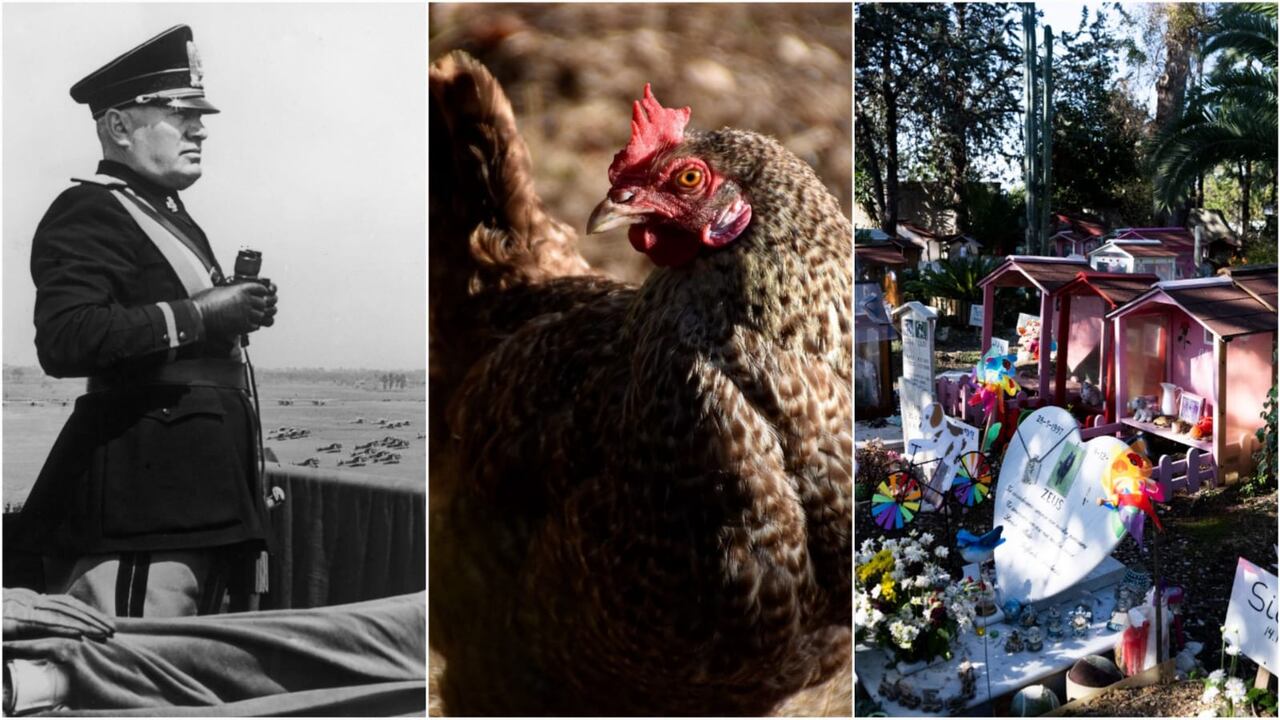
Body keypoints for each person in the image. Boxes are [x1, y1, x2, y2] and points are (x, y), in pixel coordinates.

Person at [13, 25, 279, 619]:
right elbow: (66, 338)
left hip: (193, 503)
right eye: (177, 112)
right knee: (131, 685)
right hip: (143, 511)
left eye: (199, 114)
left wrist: (229, 316)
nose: (200, 127)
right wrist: (200, 314)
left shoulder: (163, 214)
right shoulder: (91, 209)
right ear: (118, 127)